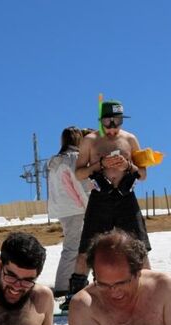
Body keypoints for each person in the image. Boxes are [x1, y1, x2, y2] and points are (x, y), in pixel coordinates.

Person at [61, 100, 151, 312]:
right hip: (100, 199)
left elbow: (143, 174)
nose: (112, 127)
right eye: (108, 122)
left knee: (140, 246)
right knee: (87, 248)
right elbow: (79, 173)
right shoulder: (90, 141)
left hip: (126, 198)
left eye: (117, 122)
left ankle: (150, 291)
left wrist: (127, 165)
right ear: (101, 121)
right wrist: (100, 165)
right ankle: (75, 294)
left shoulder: (130, 139)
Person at [47, 126, 90, 296]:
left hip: (62, 209)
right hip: (75, 207)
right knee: (73, 248)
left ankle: (69, 282)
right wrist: (89, 205)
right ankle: (63, 286)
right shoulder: (73, 159)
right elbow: (80, 184)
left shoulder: (56, 160)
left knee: (73, 246)